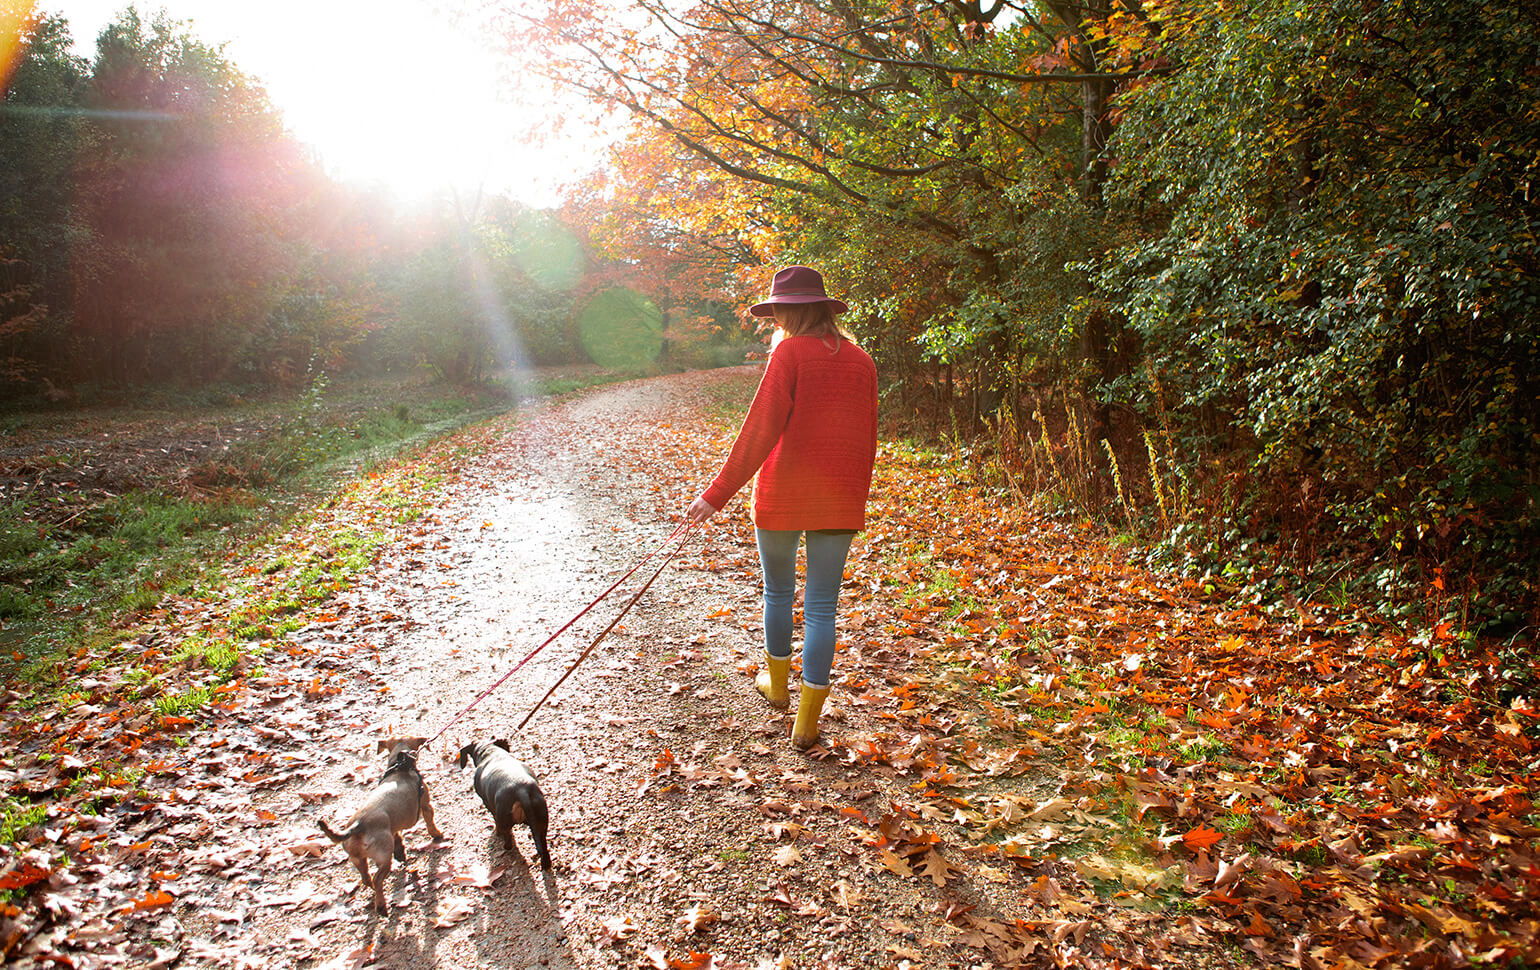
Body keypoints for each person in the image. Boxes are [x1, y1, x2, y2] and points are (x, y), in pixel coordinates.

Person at [686, 265, 879, 749]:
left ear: (789, 314)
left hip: (783, 494)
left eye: (779, 313)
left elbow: (760, 430)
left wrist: (716, 494)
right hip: (838, 498)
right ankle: (807, 721)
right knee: (821, 606)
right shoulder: (863, 362)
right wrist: (854, 496)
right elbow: (865, 442)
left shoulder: (789, 354)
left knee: (778, 594)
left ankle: (776, 688)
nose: (778, 322)